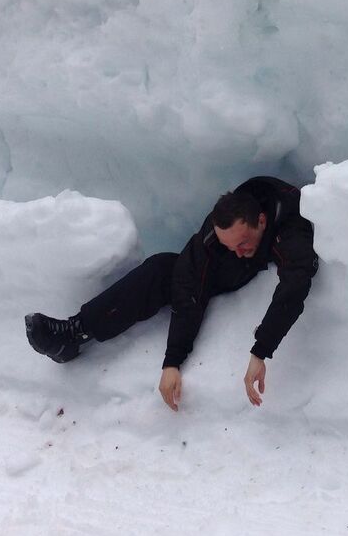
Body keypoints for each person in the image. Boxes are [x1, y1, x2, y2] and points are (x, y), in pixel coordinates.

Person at [25, 176, 319, 411]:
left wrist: (260, 350)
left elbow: (295, 283)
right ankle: (74, 332)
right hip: (220, 277)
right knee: (162, 267)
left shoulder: (291, 223)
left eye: (242, 244)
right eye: (228, 247)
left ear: (262, 221)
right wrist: (172, 362)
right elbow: (188, 284)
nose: (238, 252)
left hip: (253, 273)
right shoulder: (220, 230)